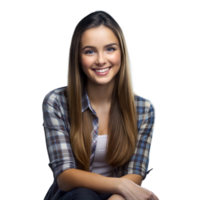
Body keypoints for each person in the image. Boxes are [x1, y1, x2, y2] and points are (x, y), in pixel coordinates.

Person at [42, 10, 159, 200]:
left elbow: (136, 171)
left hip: (117, 196)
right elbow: (65, 176)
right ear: (78, 57)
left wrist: (118, 195)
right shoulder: (56, 102)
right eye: (90, 51)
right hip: (73, 196)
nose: (101, 60)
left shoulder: (143, 109)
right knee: (83, 195)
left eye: (110, 49)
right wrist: (119, 184)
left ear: (121, 52)